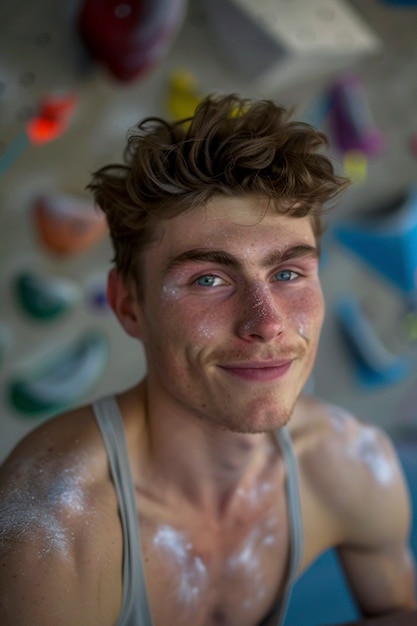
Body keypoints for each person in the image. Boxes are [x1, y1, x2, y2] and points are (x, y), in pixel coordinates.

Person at [0, 94, 415, 626]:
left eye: (288, 273)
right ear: (130, 305)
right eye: (209, 280)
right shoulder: (55, 531)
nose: (266, 322)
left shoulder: (350, 464)